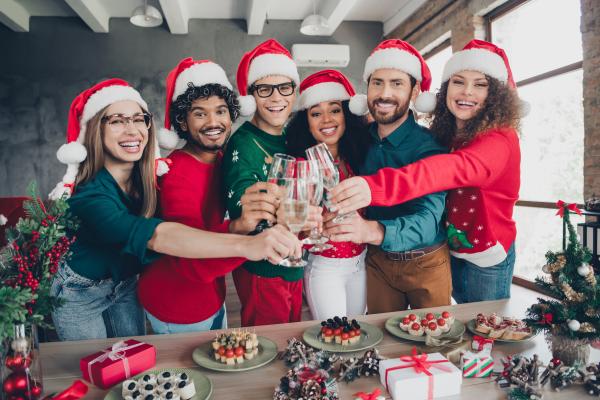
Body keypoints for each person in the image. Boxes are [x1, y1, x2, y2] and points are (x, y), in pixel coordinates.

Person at [48, 79, 301, 341]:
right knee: (94, 367)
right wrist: (245, 240)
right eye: (117, 121)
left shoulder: (148, 173)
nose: (132, 129)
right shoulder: (91, 198)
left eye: (138, 119)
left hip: (127, 283)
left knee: (127, 363)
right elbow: (160, 236)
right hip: (83, 290)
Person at [329, 39, 522, 303]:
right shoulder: (448, 133)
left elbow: (448, 169)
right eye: (458, 81)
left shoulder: (500, 138)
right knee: (458, 331)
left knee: (484, 333)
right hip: (454, 248)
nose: (466, 92)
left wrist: (373, 188)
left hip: (487, 255)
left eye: (480, 84)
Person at [138, 59, 283, 333]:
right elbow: (190, 263)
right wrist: (248, 235)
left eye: (220, 111)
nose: (214, 122)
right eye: (200, 114)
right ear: (182, 119)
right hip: (179, 303)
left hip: (210, 294)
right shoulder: (176, 173)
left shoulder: (220, 160)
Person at [322, 39, 452, 313]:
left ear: (415, 91)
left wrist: (372, 230)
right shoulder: (358, 141)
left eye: (396, 83)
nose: (384, 93)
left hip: (425, 263)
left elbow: (428, 220)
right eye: (377, 82)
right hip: (376, 262)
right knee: (382, 345)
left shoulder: (430, 147)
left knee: (433, 347)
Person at [223, 38, 320, 326]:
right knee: (268, 345)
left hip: (294, 261)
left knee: (290, 340)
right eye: (264, 89)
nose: (276, 97)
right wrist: (298, 211)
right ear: (252, 96)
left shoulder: (293, 136)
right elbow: (241, 206)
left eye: (284, 87)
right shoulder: (243, 143)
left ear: (294, 92)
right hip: (261, 267)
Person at [286, 69, 369, 320]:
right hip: (326, 268)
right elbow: (293, 227)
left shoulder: (358, 155)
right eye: (315, 113)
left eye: (334, 109)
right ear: (306, 121)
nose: (326, 119)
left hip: (362, 264)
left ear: (346, 114)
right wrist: (312, 226)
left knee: (357, 333)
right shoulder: (301, 166)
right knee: (332, 340)